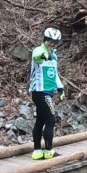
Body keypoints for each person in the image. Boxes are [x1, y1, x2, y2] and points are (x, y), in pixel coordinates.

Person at [29, 27, 65, 160]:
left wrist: (60, 88)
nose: (53, 44)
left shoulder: (54, 55)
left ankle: (37, 151)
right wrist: (43, 55)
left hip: (49, 91)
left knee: (40, 120)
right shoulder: (39, 50)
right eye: (50, 41)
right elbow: (36, 56)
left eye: (56, 42)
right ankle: (49, 150)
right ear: (45, 39)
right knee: (51, 119)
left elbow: (54, 74)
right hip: (40, 91)